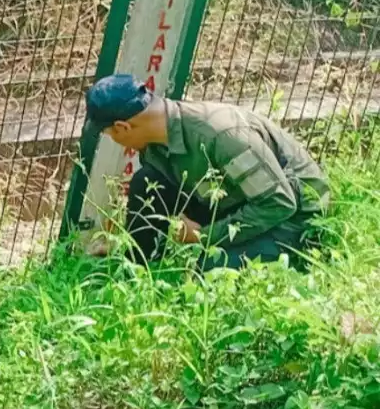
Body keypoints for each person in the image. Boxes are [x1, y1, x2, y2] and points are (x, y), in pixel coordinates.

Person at [85, 73, 328, 268]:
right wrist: (127, 243)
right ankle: (135, 265)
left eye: (108, 135)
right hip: (240, 197)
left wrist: (205, 236)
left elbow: (279, 203)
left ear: (122, 127)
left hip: (295, 216)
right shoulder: (157, 139)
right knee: (147, 182)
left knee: (210, 267)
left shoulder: (221, 136)